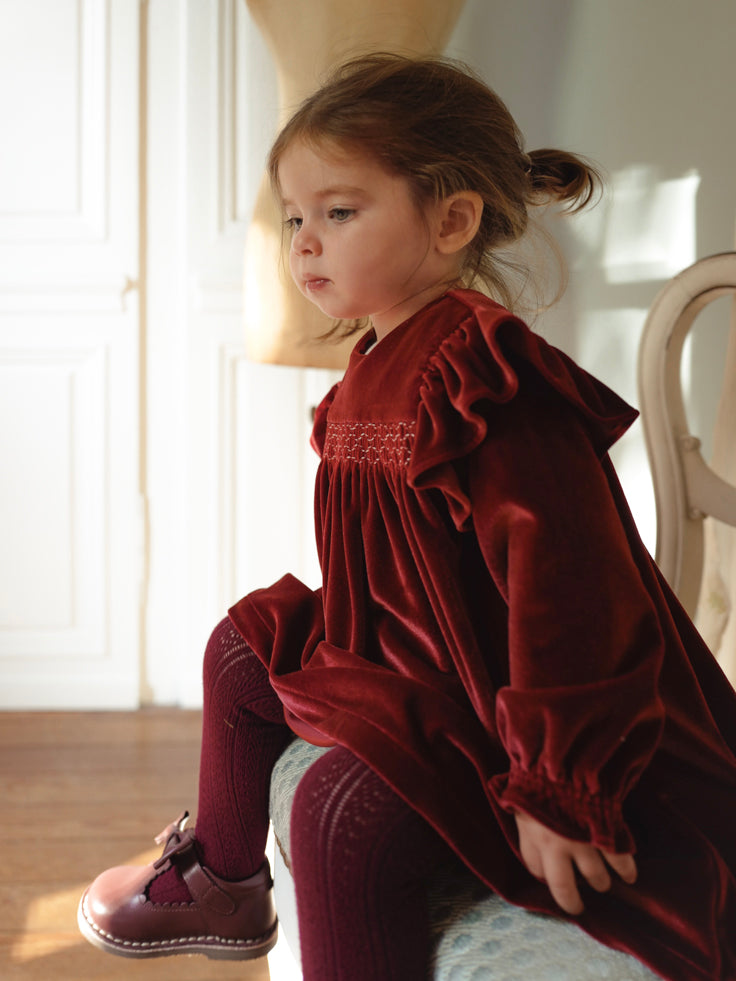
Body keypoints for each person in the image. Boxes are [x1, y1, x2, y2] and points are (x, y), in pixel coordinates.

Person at [78, 53, 736, 980]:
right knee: (239, 645)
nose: (305, 243)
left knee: (340, 810)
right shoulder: (374, 361)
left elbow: (574, 586)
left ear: (451, 220)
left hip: (493, 699)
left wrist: (560, 782)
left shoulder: (482, 375)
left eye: (340, 213)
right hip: (406, 659)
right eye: (296, 218)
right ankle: (224, 880)